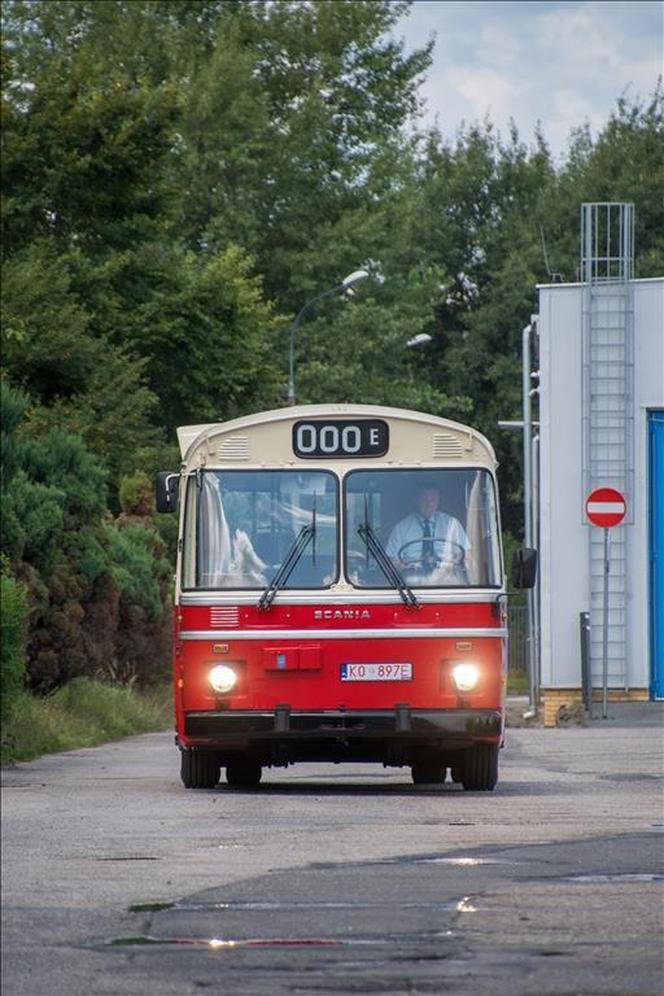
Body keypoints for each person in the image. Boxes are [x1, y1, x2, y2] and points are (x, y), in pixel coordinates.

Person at [386, 484, 470, 574]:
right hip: (412, 580)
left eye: (433, 499)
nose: (429, 504)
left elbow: (468, 554)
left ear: (438, 501)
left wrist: (461, 562)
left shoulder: (452, 524)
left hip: (447, 578)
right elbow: (391, 561)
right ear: (416, 500)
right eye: (424, 499)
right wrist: (400, 566)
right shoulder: (400, 528)